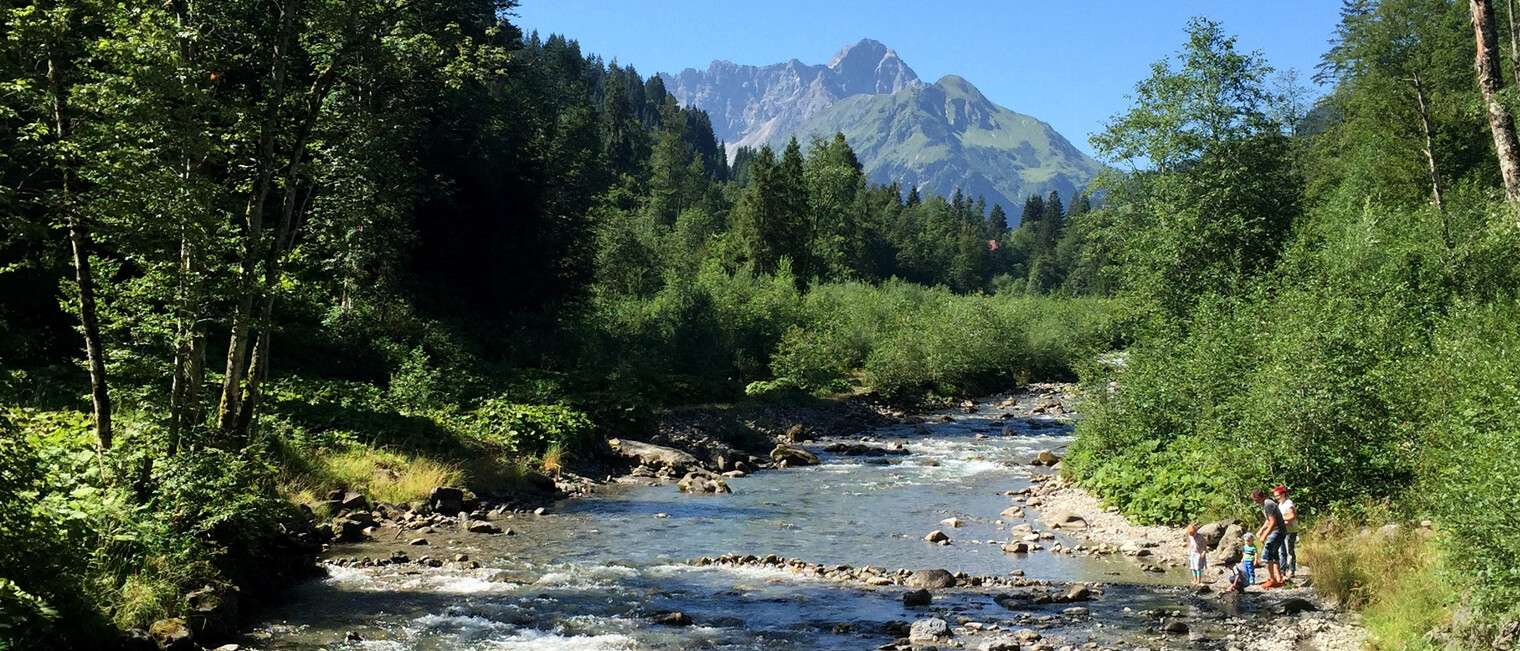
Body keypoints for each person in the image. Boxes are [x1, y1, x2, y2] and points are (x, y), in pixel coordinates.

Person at [1251, 488, 1287, 589]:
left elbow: (1273, 522)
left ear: (1258, 497)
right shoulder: (1267, 504)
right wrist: (1261, 530)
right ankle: (1279, 579)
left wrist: (1264, 535)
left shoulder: (1268, 504)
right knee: (1273, 554)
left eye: (1255, 499)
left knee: (1266, 555)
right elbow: (1268, 520)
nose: (1254, 502)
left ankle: (1271, 579)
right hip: (1279, 531)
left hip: (1278, 531)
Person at [1274, 485, 1298, 581]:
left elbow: (1292, 515)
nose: (1277, 498)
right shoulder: (1280, 505)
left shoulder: (1288, 503)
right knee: (1282, 551)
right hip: (1283, 530)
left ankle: (1291, 570)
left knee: (1289, 551)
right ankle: (1282, 570)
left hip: (1290, 531)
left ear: (1283, 494)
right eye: (1275, 496)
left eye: (1278, 495)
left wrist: (1281, 519)